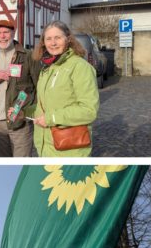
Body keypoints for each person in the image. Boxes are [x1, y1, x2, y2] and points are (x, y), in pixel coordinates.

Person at [30, 20, 100, 157]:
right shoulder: (47, 68)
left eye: (58, 38)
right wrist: (24, 112)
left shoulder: (80, 67)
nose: (53, 43)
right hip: (46, 148)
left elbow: (88, 110)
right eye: (48, 39)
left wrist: (50, 118)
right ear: (43, 42)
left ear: (68, 39)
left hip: (70, 149)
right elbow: (44, 107)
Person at [0, 20, 40, 158]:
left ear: (13, 33)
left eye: (6, 32)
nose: (2, 36)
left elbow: (40, 88)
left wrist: (31, 112)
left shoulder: (28, 56)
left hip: (20, 121)